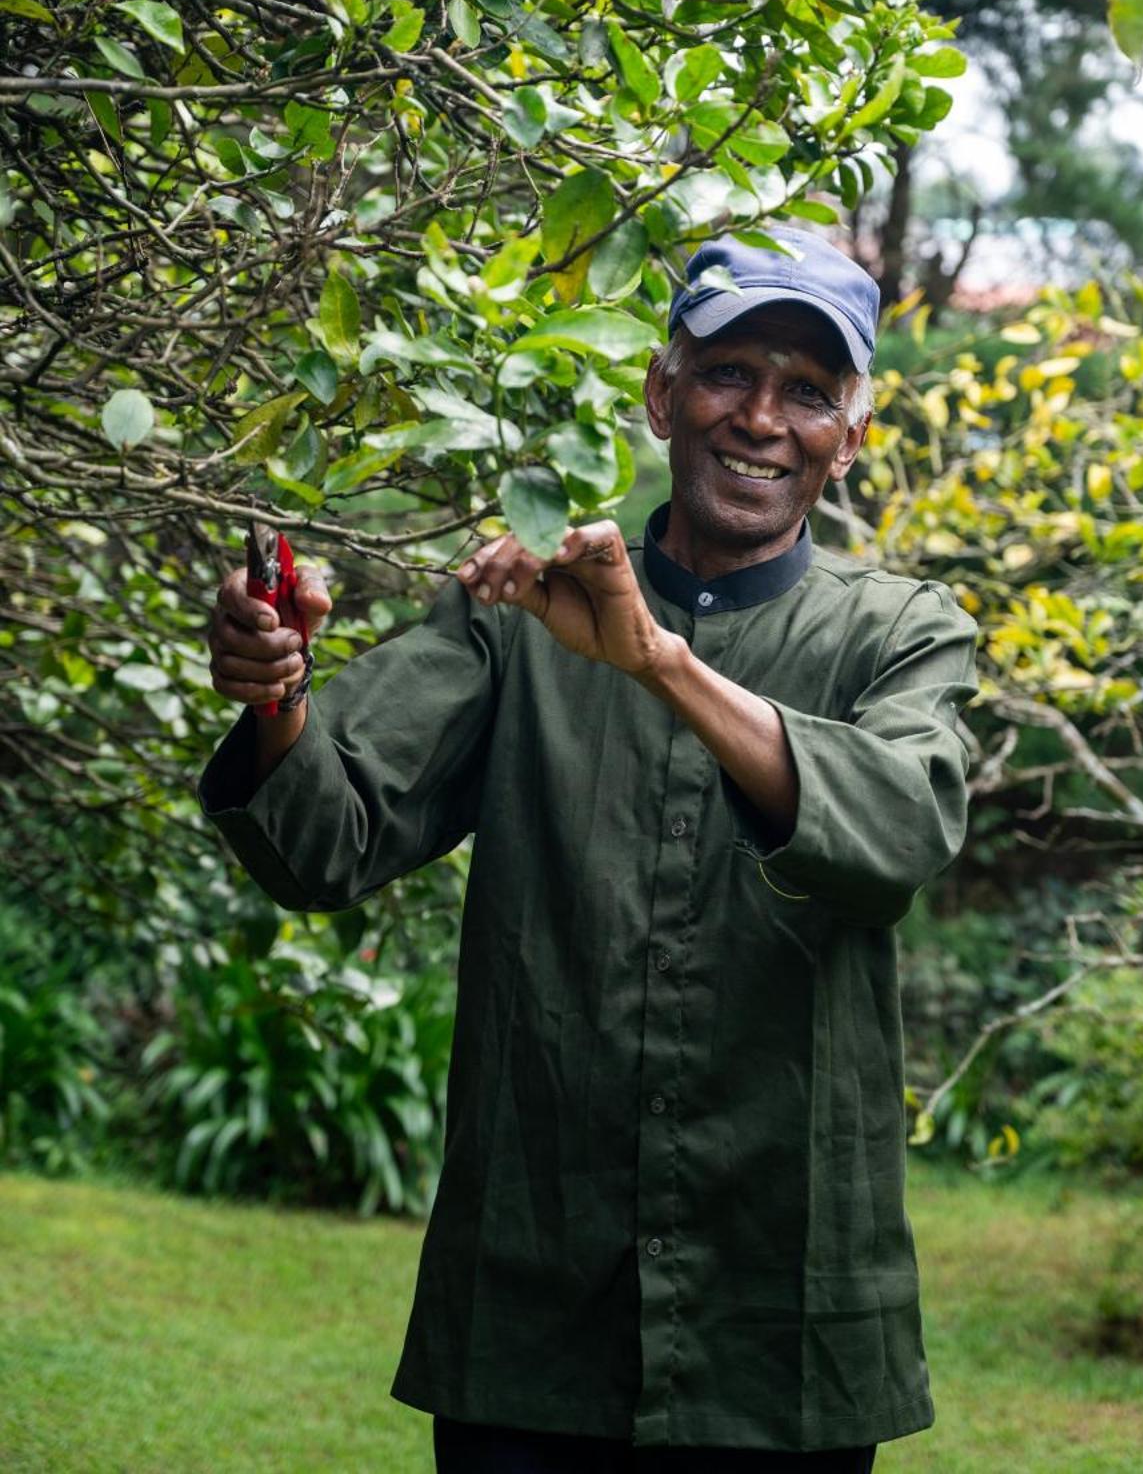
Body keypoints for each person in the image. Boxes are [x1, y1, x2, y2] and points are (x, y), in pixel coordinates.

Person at [199, 227, 980, 1474]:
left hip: (782, 1325)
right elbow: (323, 841)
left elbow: (895, 827)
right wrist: (276, 694)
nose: (761, 418)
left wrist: (658, 662)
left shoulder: (899, 631)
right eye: (729, 374)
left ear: (852, 435)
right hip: (528, 1309)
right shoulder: (515, 611)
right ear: (663, 392)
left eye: (808, 390)